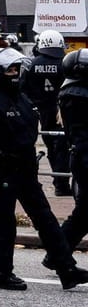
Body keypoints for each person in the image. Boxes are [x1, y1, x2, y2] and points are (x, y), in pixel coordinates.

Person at [0, 48, 83, 291]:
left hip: (25, 170)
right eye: (10, 70)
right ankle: (2, 274)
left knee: (46, 220)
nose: (15, 73)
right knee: (5, 225)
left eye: (16, 69)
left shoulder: (21, 98)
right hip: (3, 174)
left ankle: (66, 268)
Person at [28, 30, 69, 195]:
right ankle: (62, 183)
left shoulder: (32, 64)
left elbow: (24, 90)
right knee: (64, 147)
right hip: (63, 110)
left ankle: (58, 181)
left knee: (51, 147)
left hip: (43, 111)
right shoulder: (64, 62)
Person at [60, 51, 88, 250]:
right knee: (84, 212)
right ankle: (57, 252)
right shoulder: (77, 94)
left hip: (82, 156)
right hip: (85, 157)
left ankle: (57, 252)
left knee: (84, 212)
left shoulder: (73, 90)